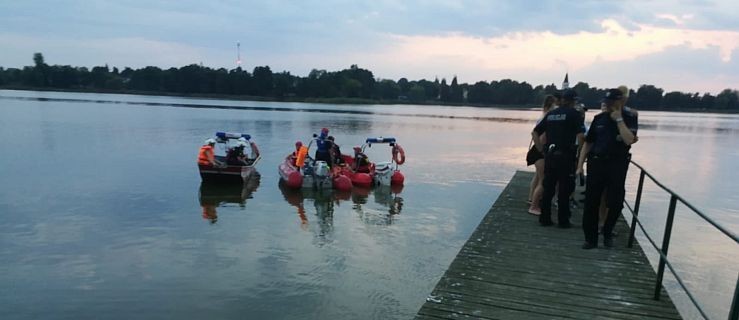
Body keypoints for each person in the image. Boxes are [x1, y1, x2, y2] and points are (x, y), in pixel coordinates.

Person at [577, 88, 638, 249]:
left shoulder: (630, 118)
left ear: (620, 101)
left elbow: (629, 140)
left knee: (616, 202)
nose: (607, 105)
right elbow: (588, 143)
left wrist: (619, 120)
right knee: (591, 202)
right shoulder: (599, 119)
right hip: (596, 163)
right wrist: (580, 165)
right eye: (606, 102)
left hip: (617, 164)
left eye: (611, 102)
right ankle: (590, 239)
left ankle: (607, 231)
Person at [532, 89, 585, 228]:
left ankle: (545, 218)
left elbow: (535, 132)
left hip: (550, 155)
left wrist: (541, 149)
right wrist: (581, 154)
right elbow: (580, 136)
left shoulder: (551, 114)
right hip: (566, 156)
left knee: (548, 187)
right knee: (564, 189)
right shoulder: (574, 114)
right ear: (573, 101)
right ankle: (563, 220)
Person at [527, 95, 557, 215]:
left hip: (537, 151)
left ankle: (532, 199)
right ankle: (534, 206)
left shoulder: (544, 118)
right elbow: (540, 136)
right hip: (540, 152)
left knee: (538, 177)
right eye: (555, 106)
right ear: (549, 107)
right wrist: (542, 150)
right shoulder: (548, 119)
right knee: (543, 180)